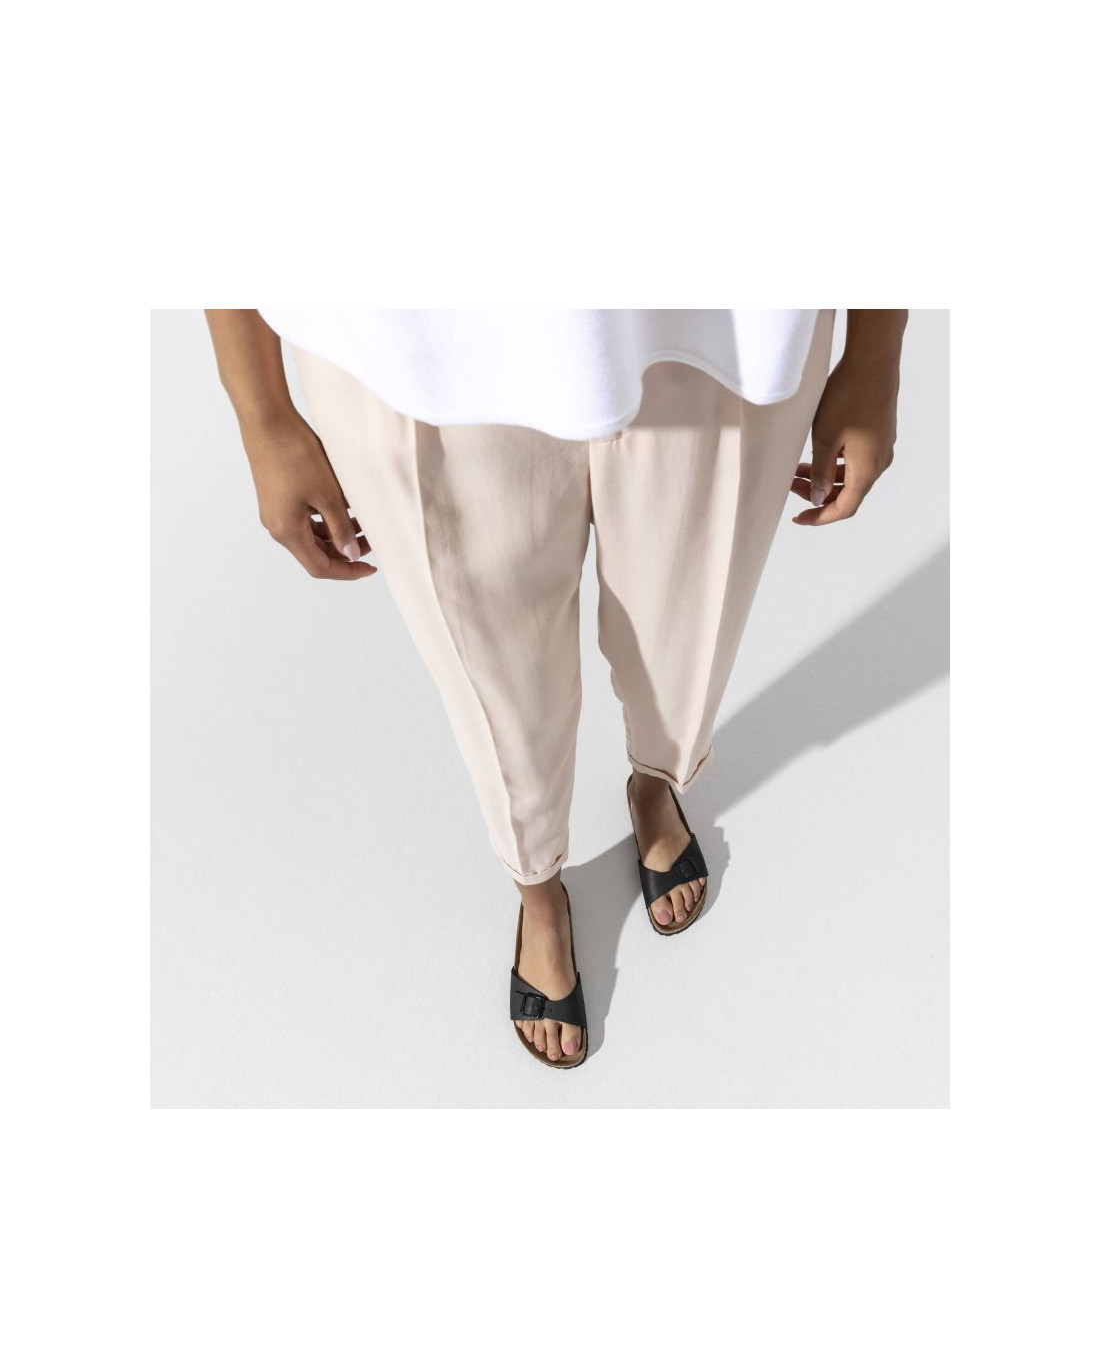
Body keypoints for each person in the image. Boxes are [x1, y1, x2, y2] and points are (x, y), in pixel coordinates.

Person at [205, 308, 906, 1071]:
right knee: (494, 682)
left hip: (712, 316)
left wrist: (875, 353)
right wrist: (262, 413)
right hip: (424, 336)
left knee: (685, 633)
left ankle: (654, 783)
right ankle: (538, 889)